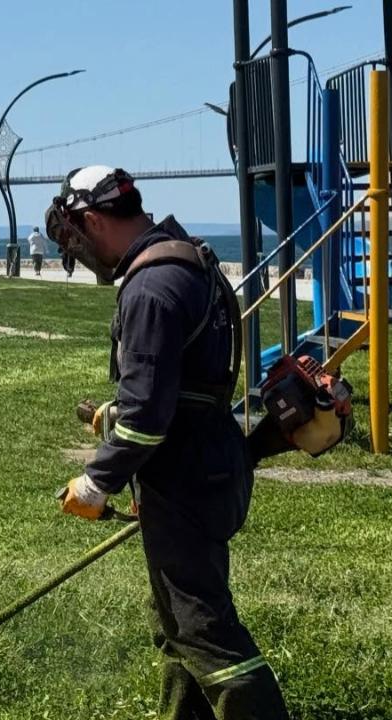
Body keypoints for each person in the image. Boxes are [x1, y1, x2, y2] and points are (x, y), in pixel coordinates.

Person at [47, 166, 287, 720]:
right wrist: (122, 411)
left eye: (76, 236)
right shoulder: (189, 258)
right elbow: (185, 385)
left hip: (182, 478)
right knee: (177, 624)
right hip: (208, 462)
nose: (79, 251)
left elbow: (147, 422)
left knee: (206, 636)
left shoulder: (150, 288)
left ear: (91, 220)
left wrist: (96, 480)